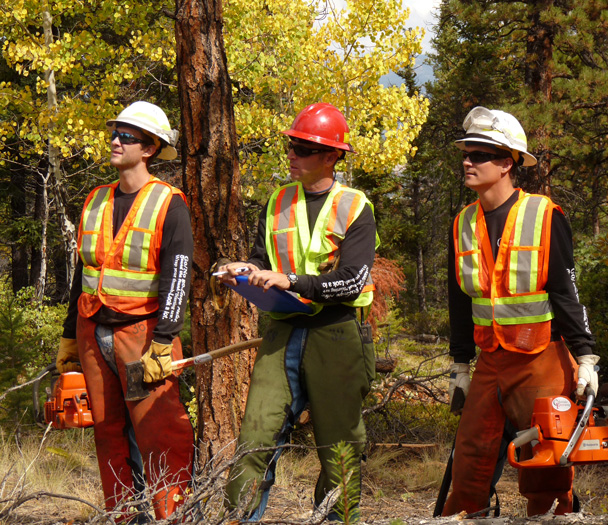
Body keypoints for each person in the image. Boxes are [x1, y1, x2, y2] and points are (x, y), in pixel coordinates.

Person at [218, 102, 378, 521]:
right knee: (255, 439)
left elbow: (353, 281)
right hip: (282, 331)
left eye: (303, 148)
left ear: (331, 156)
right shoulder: (277, 201)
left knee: (339, 452)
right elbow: (260, 257)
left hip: (338, 335)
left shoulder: (356, 206)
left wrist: (291, 280)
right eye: (291, 145)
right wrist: (245, 270)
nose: (292, 154)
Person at [443, 107, 598, 517]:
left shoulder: (545, 215)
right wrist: (460, 364)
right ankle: (465, 516)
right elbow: (459, 300)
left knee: (546, 462)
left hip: (542, 359)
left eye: (479, 154)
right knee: (471, 456)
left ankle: (553, 518)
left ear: (507, 161)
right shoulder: (462, 223)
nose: (468, 160)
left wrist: (585, 358)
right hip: (490, 360)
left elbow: (566, 291)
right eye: (467, 152)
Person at [56, 101, 195, 523]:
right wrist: (68, 337)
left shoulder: (169, 204)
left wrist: (163, 342)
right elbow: (85, 270)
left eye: (127, 136)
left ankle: (171, 516)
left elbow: (178, 278)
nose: (115, 141)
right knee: (108, 434)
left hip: (144, 336)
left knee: (161, 433)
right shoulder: (96, 200)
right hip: (92, 333)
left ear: (150, 148)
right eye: (114, 132)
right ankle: (123, 517)